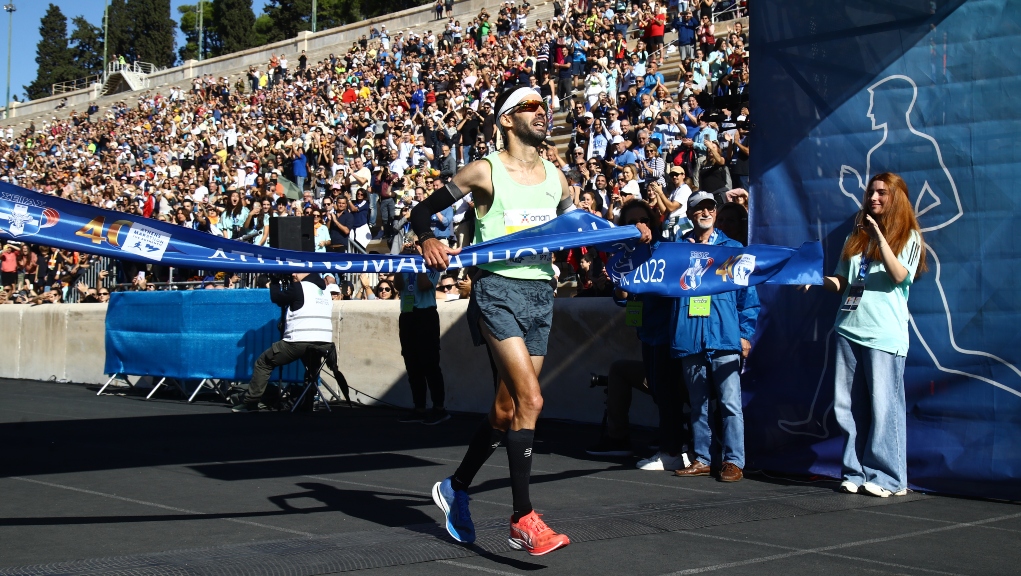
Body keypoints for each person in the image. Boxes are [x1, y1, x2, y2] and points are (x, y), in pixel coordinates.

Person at [410, 86, 653, 555]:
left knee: (507, 410)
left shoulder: (556, 178)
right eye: (530, 107)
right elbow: (423, 210)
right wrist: (426, 238)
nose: (543, 113)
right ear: (506, 120)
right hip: (497, 290)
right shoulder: (485, 170)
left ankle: (456, 486)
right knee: (533, 398)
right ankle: (522, 517)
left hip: (542, 294)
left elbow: (580, 226)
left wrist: (628, 230)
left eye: (545, 107)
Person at [806, 172, 926, 498]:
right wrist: (817, 280)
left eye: (881, 193)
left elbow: (900, 275)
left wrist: (880, 238)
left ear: (895, 197)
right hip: (848, 328)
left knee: (884, 408)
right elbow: (842, 282)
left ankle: (888, 478)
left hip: (884, 335)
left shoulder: (909, 237)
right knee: (849, 407)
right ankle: (854, 471)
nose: (873, 198)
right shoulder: (855, 238)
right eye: (871, 192)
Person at [672, 192, 759, 482]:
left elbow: (748, 297)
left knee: (730, 403)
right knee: (698, 405)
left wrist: (745, 333)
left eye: (710, 207)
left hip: (724, 335)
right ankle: (703, 458)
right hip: (690, 337)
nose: (705, 212)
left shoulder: (733, 248)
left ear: (716, 213)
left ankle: (734, 461)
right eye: (699, 208)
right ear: (690, 213)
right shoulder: (676, 251)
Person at [231, 272, 334, 412]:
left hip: (300, 339)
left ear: (307, 272)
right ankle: (308, 403)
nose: (293, 273)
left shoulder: (300, 287)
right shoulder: (326, 290)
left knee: (263, 362)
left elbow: (277, 298)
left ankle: (251, 402)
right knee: (312, 370)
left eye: (297, 271)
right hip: (324, 342)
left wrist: (274, 282)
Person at [394, 241, 450, 425]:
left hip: (426, 315)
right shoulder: (405, 263)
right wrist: (401, 261)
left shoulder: (433, 264)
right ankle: (419, 407)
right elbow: (398, 285)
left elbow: (426, 285)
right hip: (408, 315)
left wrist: (419, 261)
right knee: (412, 363)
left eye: (418, 243)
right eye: (412, 244)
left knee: (430, 363)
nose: (414, 246)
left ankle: (439, 408)